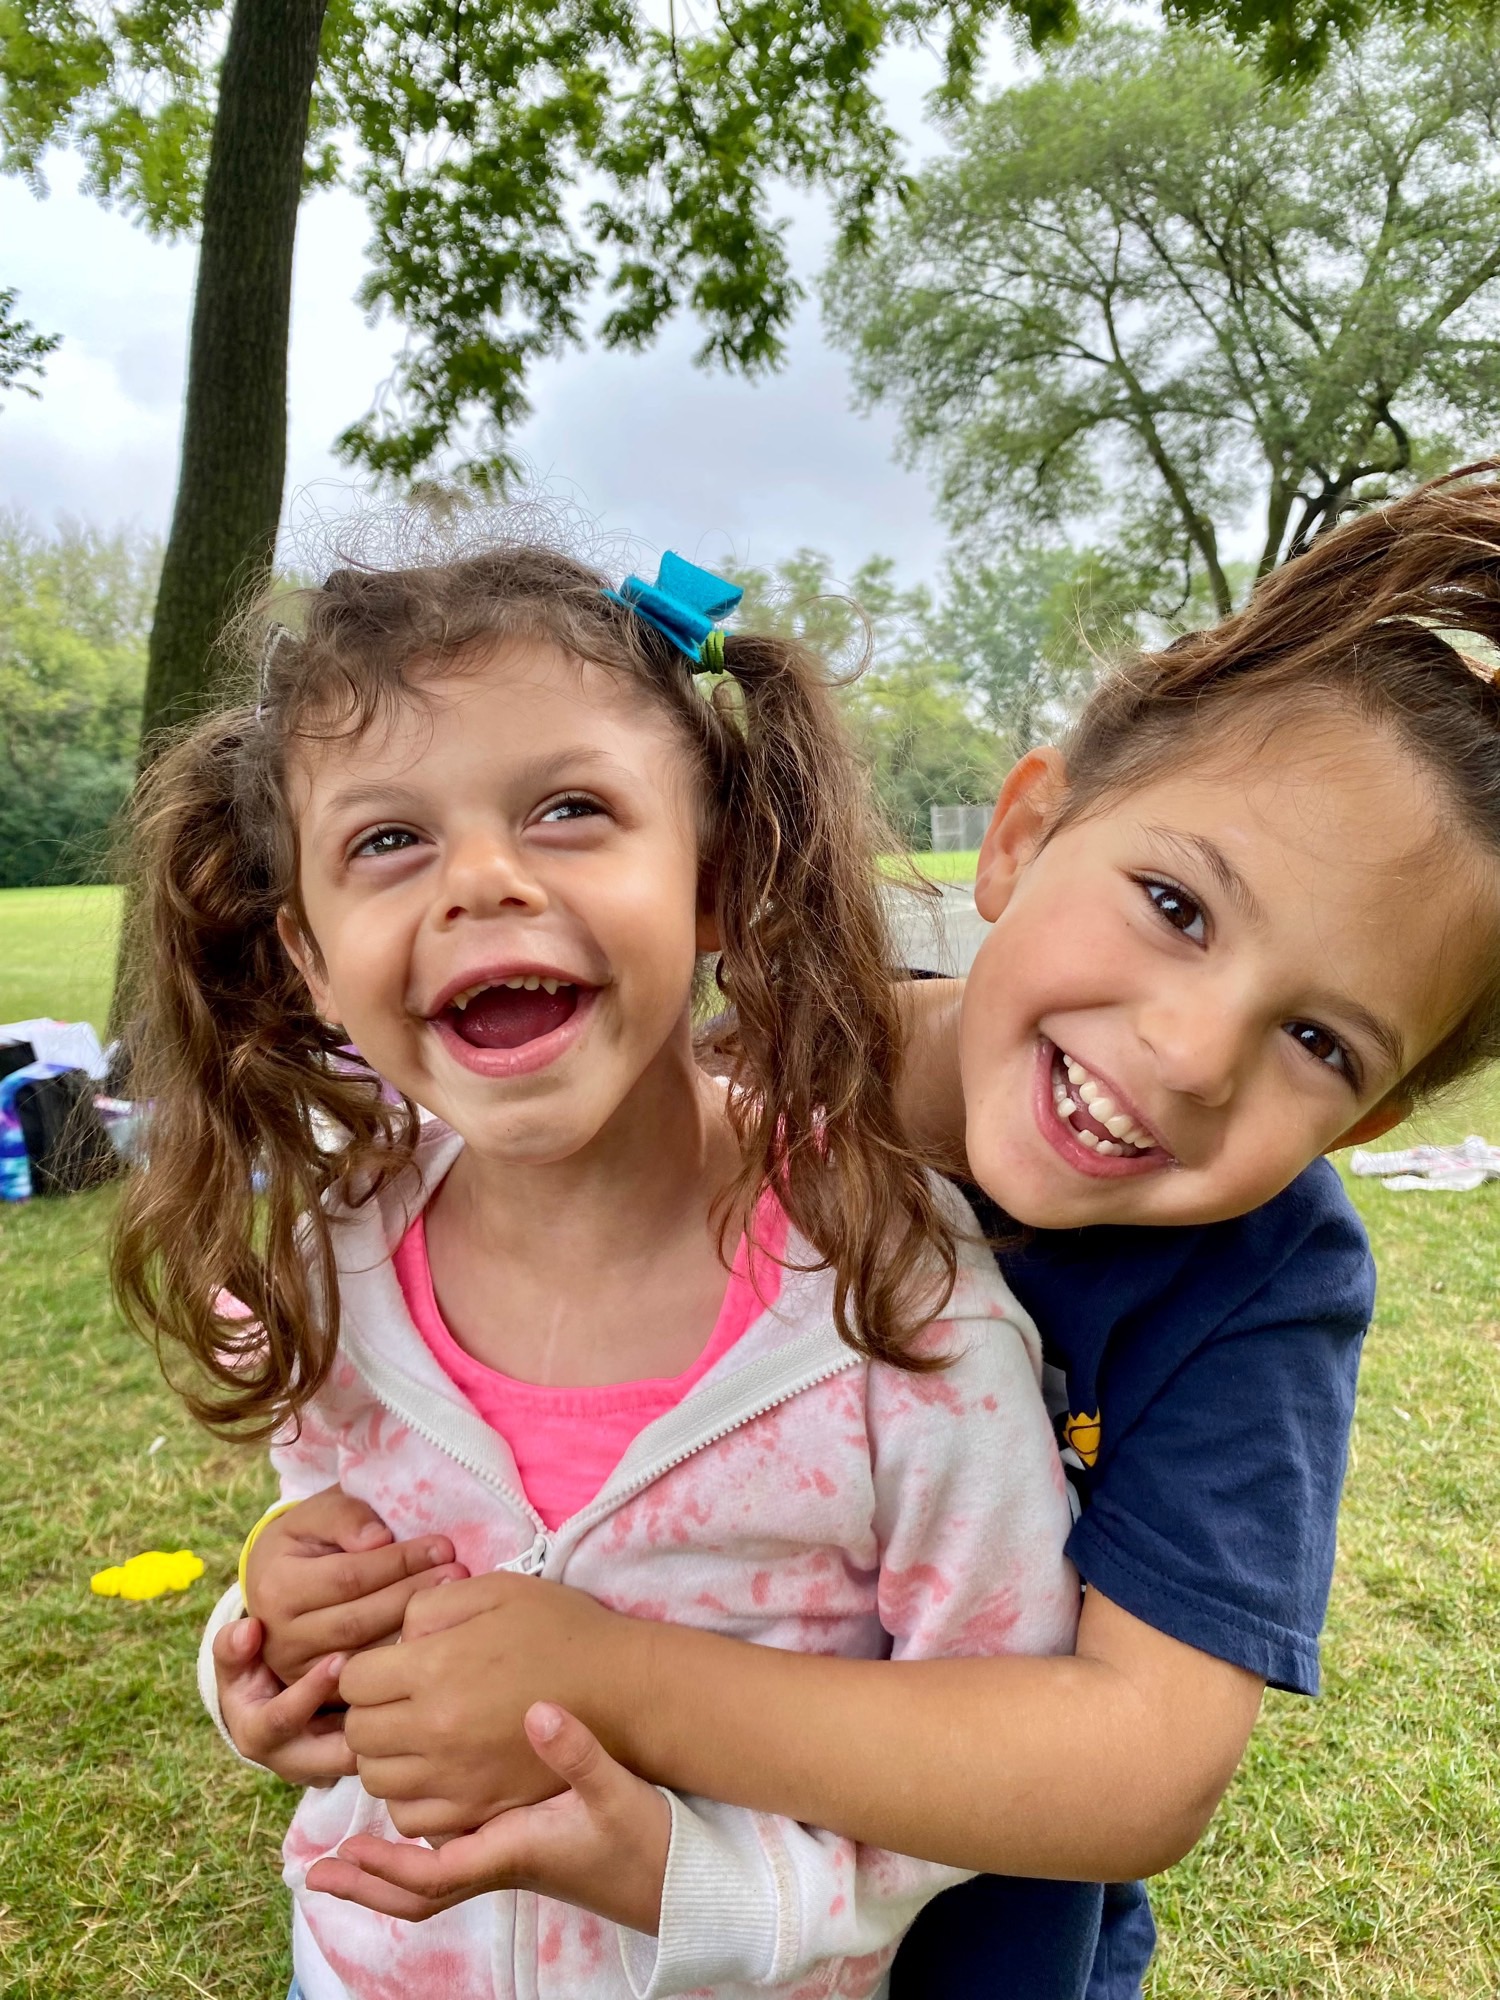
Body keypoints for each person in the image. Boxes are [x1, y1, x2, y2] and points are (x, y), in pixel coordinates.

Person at [212, 466, 1500, 1999]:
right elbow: (421, 1482)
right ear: (1020, 834)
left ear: (1362, 1126)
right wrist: (286, 1629)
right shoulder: (703, 1078)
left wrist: (605, 1687)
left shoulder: (1252, 1275)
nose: (1193, 1051)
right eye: (1175, 903)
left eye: (1321, 1042)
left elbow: (1139, 1764)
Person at [111, 541, 1082, 2000]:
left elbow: (991, 1732)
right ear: (311, 960)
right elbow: (319, 1550)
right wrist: (261, 1653)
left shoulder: (895, 1301)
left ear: (711, 882)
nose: (484, 880)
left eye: (571, 810)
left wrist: (709, 1890)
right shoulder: (337, 1262)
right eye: (388, 840)